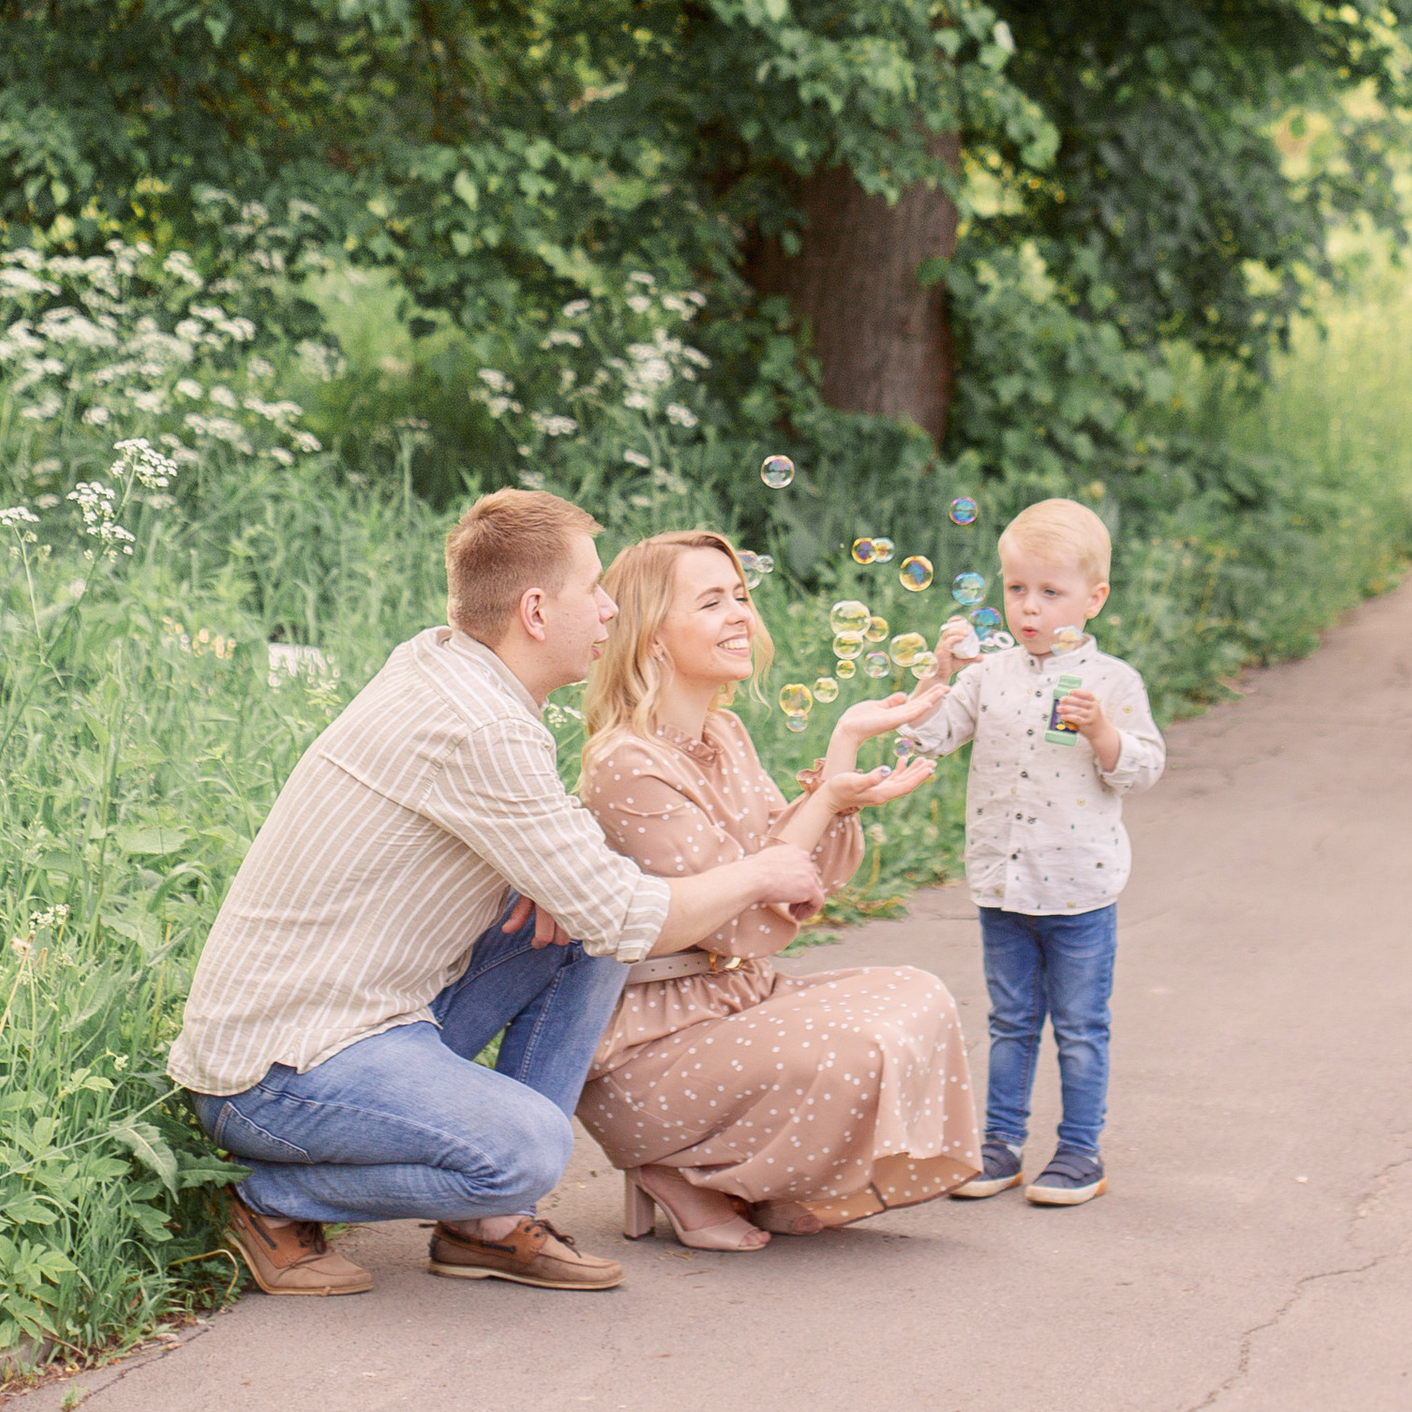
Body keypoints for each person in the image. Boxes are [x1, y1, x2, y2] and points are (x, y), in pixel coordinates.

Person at [166, 490, 833, 1296]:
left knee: (580, 934)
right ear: (537, 611)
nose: (611, 608)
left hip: (372, 1017)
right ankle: (266, 1201)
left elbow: (589, 896)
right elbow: (628, 914)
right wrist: (760, 873)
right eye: (593, 589)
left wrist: (558, 886)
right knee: (529, 1149)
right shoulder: (480, 727)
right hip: (276, 1076)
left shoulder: (444, 664)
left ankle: (484, 1224)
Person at [570, 531, 981, 1250]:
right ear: (652, 637)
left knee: (919, 998)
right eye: (710, 601)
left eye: (741, 596)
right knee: (857, 1046)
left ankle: (746, 1177)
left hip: (736, 1001)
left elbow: (796, 873)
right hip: (651, 1045)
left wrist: (844, 759)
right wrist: (823, 802)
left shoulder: (725, 732)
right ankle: (674, 1164)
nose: (738, 614)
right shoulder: (624, 763)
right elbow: (735, 917)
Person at [897, 491, 1165, 1208]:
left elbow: (1142, 766)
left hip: (1079, 890)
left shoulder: (1112, 683)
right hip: (1003, 885)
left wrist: (1103, 733)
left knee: (1079, 1026)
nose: (1030, 607)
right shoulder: (988, 675)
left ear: (1095, 598)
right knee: (1010, 1019)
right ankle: (1001, 1144)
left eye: (1051, 591)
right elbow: (923, 736)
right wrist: (939, 673)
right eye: (1017, 589)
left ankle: (1080, 1150)